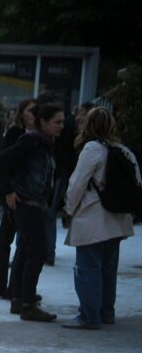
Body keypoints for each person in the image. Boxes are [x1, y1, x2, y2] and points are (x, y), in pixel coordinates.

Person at [61, 108, 137, 329]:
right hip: (117, 219)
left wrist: (69, 209)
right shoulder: (123, 150)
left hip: (93, 218)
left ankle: (88, 315)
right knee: (108, 269)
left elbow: (77, 184)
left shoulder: (92, 149)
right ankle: (106, 313)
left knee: (88, 268)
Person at [0, 102, 64, 322]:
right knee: (37, 251)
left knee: (26, 250)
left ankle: (20, 299)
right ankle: (27, 303)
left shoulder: (44, 143)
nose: (60, 127)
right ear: (43, 122)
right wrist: (8, 192)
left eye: (62, 122)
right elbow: (1, 162)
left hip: (33, 203)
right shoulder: (32, 141)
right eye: (57, 122)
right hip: (27, 204)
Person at [0, 100, 37, 299]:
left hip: (17, 191)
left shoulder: (28, 134)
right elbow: (2, 161)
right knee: (9, 239)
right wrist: (8, 191)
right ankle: (4, 286)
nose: (34, 114)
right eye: (30, 111)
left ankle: (0, 285)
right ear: (22, 113)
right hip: (13, 192)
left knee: (11, 239)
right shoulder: (17, 133)